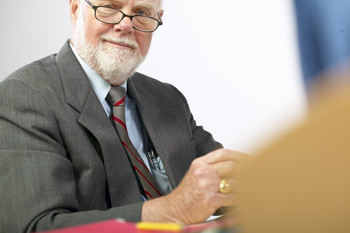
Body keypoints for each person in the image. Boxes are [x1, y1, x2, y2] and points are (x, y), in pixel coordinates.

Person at [0, 0, 248, 232]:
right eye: (109, 6)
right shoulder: (23, 96)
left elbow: (225, 180)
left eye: (141, 12)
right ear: (76, 9)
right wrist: (175, 209)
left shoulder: (167, 98)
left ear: (158, 20)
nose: (126, 24)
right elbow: (39, 227)